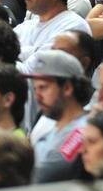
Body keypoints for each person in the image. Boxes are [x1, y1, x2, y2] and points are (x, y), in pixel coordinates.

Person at [24, 49, 91, 183]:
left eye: (43, 88)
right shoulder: (47, 133)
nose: (38, 97)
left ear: (67, 88)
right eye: (35, 89)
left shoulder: (84, 130)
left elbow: (46, 175)